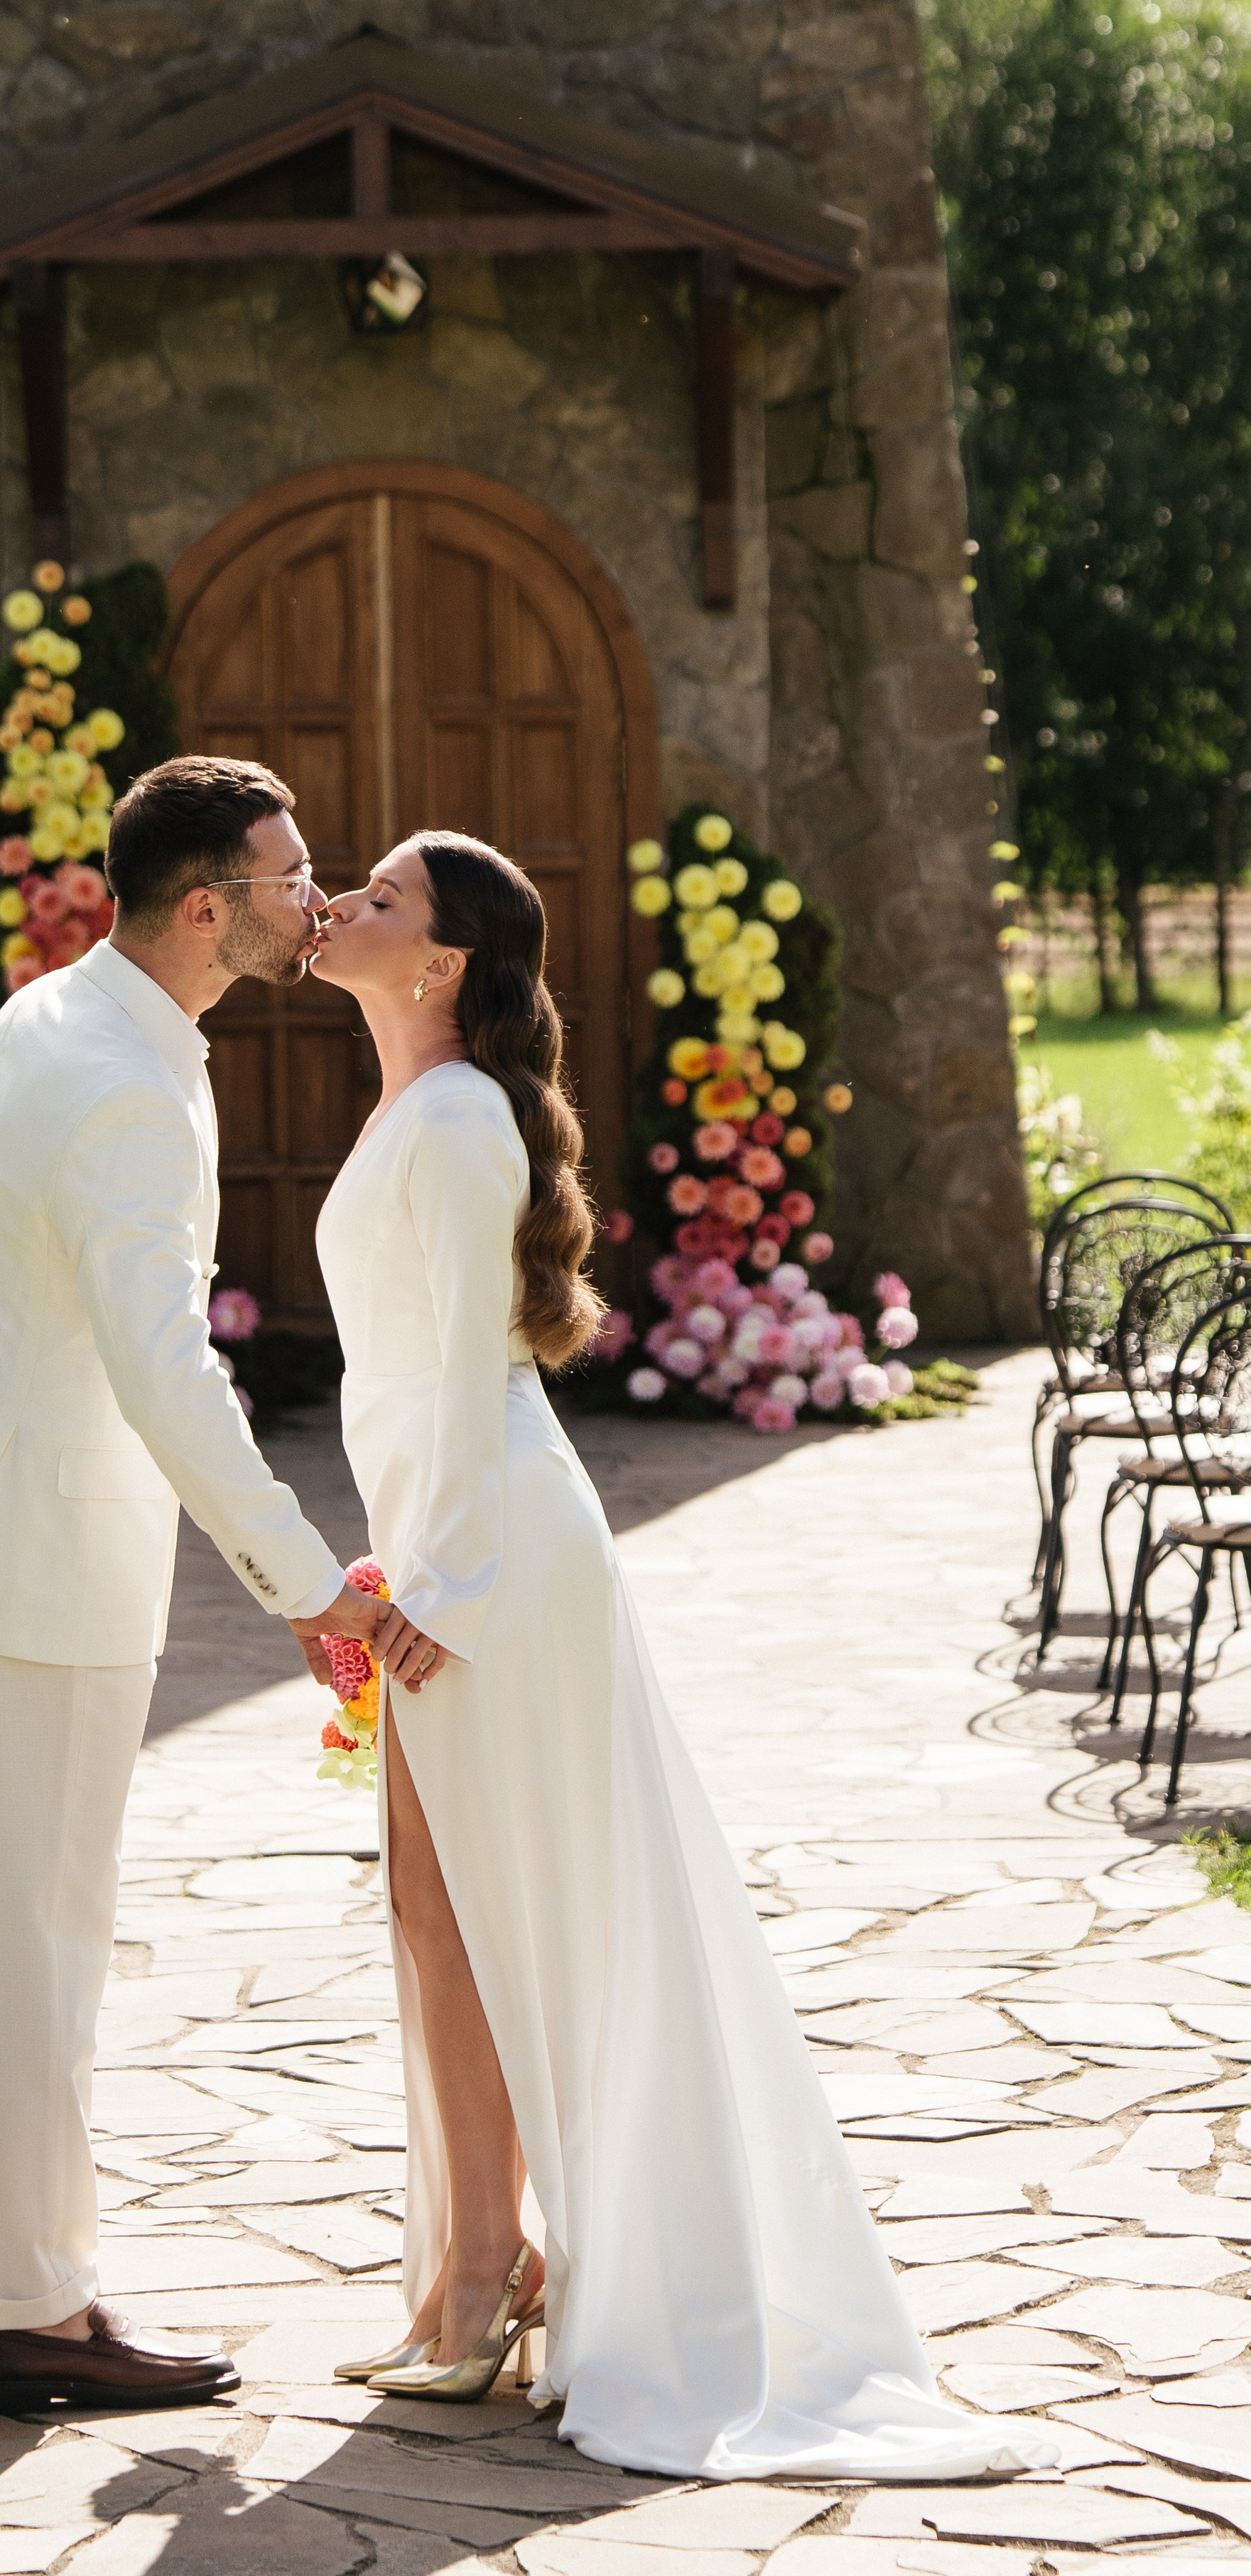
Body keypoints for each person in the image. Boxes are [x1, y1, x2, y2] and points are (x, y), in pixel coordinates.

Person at [308, 830, 1044, 2480]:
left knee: (481, 1912)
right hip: (445, 1534)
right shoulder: (416, 1106)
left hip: (491, 1554)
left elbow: (458, 1372)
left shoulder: (453, 1117)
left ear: (438, 961)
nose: (344, 903)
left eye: (382, 897)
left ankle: (485, 2279)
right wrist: (394, 1559)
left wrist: (437, 1585)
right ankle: (481, 2264)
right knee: (434, 1911)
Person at [0, 756, 397, 2419]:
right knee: (34, 1932)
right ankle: (38, 2311)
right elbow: (159, 1362)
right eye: (288, 875)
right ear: (203, 907)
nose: (312, 896)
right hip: (40, 1551)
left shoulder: (48, 1014)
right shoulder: (122, 1078)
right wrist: (300, 1577)